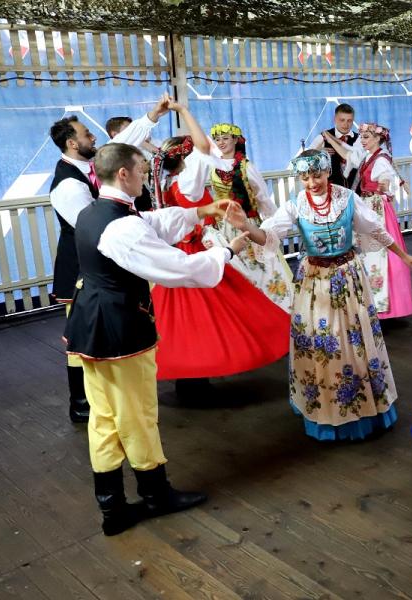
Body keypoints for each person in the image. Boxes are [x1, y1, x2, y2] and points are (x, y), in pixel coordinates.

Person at [64, 141, 249, 536]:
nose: (147, 175)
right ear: (124, 174)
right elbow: (179, 268)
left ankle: (112, 507)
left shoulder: (95, 211)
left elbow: (152, 222)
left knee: (105, 418)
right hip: (119, 330)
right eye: (142, 169)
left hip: (91, 326)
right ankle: (155, 494)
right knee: (138, 415)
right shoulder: (121, 225)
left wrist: (201, 211)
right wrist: (227, 252)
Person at [225, 150, 412, 441]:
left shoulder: (347, 198)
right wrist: (246, 226)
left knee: (354, 338)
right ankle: (326, 410)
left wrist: (402, 255)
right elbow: (269, 236)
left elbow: (375, 229)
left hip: (347, 276)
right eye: (305, 178)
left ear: (327, 172)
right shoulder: (296, 205)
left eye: (317, 175)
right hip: (315, 281)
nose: (312, 183)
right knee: (322, 341)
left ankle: (364, 406)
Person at [48, 93, 172, 423]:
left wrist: (153, 115)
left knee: (103, 335)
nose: (94, 137)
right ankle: (82, 404)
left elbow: (121, 143)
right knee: (82, 340)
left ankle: (111, 398)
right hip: (83, 271)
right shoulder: (67, 185)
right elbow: (95, 230)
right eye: (87, 134)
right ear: (72, 143)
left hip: (102, 270)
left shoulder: (90, 165)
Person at [149, 102, 290, 383]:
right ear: (187, 157)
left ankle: (190, 370)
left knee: (185, 315)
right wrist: (183, 110)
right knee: (223, 306)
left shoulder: (167, 181)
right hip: (197, 245)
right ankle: (208, 364)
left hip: (183, 246)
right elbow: (203, 147)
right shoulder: (187, 182)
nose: (216, 144)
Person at [324, 122, 412, 319]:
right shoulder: (369, 156)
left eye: (366, 137)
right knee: (365, 250)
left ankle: (380, 303)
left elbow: (385, 182)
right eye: (362, 137)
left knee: (378, 251)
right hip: (368, 204)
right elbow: (349, 155)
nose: (362, 141)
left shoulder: (380, 159)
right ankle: (368, 300)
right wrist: (330, 138)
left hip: (376, 207)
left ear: (378, 138)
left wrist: (383, 187)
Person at [207, 122, 295, 312]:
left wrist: (272, 226)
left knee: (263, 270)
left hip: (248, 225)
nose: (221, 142)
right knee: (235, 269)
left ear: (235, 140)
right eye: (217, 139)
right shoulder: (213, 166)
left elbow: (263, 198)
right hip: (225, 228)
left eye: (225, 138)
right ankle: (245, 310)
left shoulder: (247, 166)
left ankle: (271, 308)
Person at [309, 103, 358, 187]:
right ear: (335, 119)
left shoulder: (360, 139)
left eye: (349, 120)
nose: (346, 124)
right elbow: (305, 157)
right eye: (342, 120)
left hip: (355, 189)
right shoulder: (324, 136)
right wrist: (319, 153)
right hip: (331, 188)